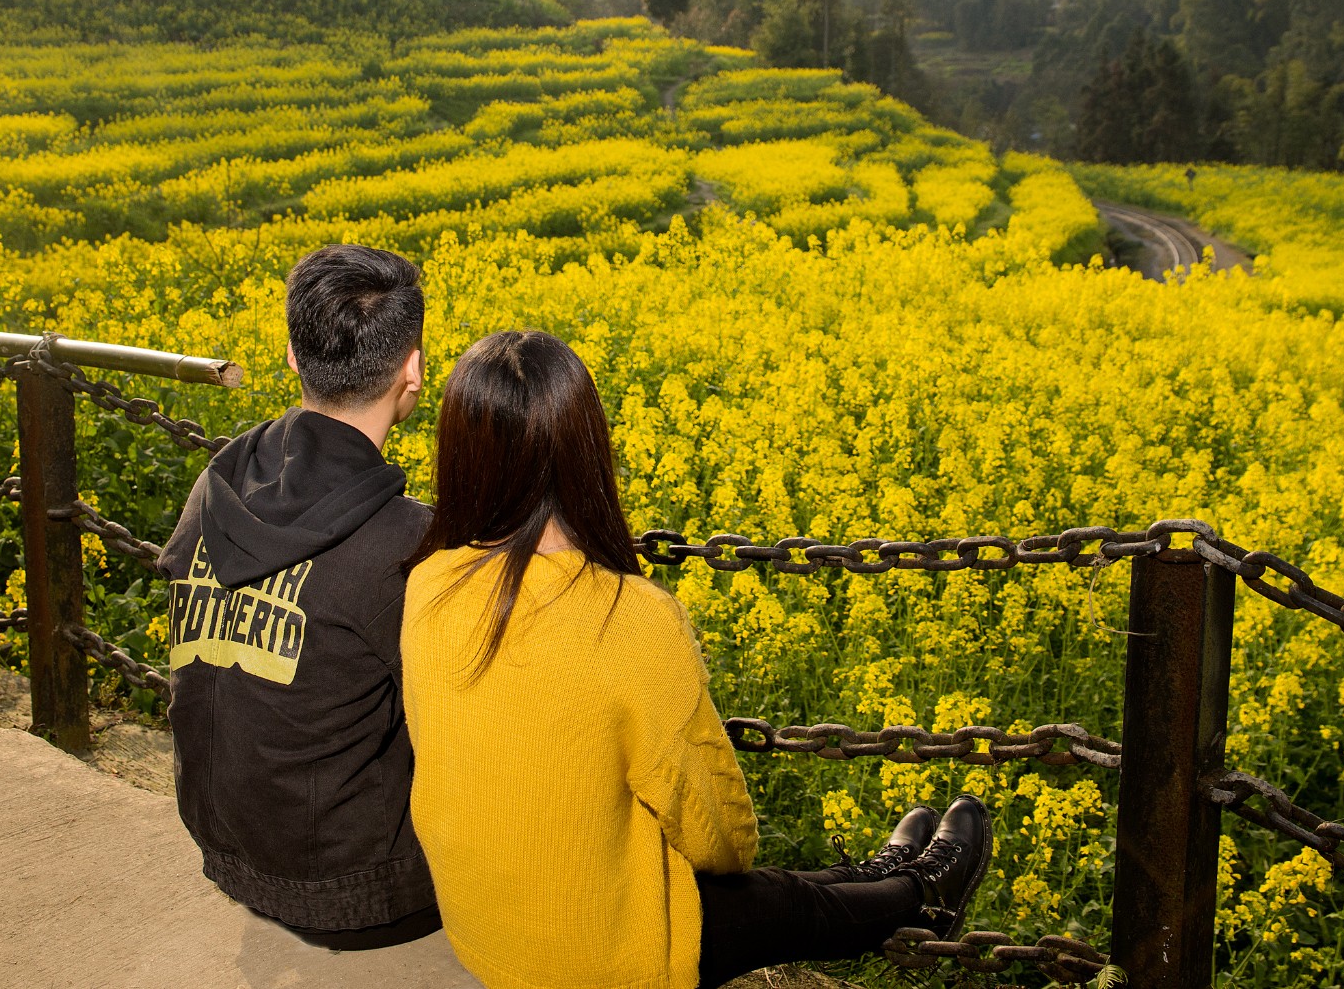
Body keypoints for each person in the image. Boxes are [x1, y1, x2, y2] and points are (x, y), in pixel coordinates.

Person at [401, 330, 993, 989]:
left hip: (482, 924)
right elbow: (723, 839)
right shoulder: (628, 614)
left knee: (777, 890)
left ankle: (878, 874)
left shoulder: (429, 583)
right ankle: (922, 894)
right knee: (773, 900)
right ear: (588, 449)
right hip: (589, 958)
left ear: (459, 451)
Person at [159, 244, 440, 949]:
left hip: (229, 850)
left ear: (291, 353)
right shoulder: (404, 539)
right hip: (362, 891)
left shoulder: (214, 486)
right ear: (414, 368)